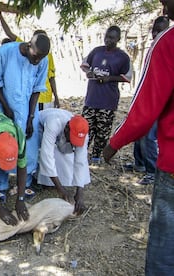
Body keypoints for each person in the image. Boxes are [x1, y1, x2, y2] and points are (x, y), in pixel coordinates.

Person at [103, 1, 174, 274]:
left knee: (164, 254)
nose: (164, 7)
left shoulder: (167, 43)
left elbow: (144, 112)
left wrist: (112, 146)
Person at [0, 33, 50, 201]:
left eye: (41, 59)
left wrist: (30, 117)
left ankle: (26, 183)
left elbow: (37, 88)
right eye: (35, 57)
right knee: (3, 144)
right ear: (28, 45)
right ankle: (0, 185)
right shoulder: (5, 52)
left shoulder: (42, 60)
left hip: (27, 109)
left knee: (28, 145)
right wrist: (7, 110)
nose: (37, 62)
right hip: (3, 106)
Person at [125, 15, 169, 185]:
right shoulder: (152, 48)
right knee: (139, 132)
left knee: (148, 136)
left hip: (157, 100)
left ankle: (152, 171)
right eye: (154, 30)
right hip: (146, 97)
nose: (156, 34)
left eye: (160, 31)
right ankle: (140, 164)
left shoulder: (166, 49)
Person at [80, 25, 132, 164]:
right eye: (106, 37)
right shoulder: (97, 51)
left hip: (108, 101)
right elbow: (85, 65)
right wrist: (89, 73)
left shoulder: (122, 57)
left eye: (112, 38)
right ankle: (81, 155)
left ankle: (96, 156)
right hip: (91, 99)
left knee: (102, 131)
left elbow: (127, 77)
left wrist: (110, 78)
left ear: (118, 39)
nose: (108, 40)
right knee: (85, 129)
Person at [0, 11, 60, 109]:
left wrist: (56, 96)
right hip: (29, 96)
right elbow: (9, 33)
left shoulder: (48, 56)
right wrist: (0, 16)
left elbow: (51, 77)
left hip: (45, 96)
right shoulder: (25, 49)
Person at [37, 109, 90, 215]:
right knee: (40, 152)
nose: (72, 142)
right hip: (40, 125)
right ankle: (37, 178)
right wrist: (61, 189)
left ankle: (51, 180)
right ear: (66, 129)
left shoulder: (83, 132)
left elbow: (81, 161)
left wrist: (80, 192)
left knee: (65, 158)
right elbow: (46, 154)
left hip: (61, 131)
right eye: (72, 138)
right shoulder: (54, 123)